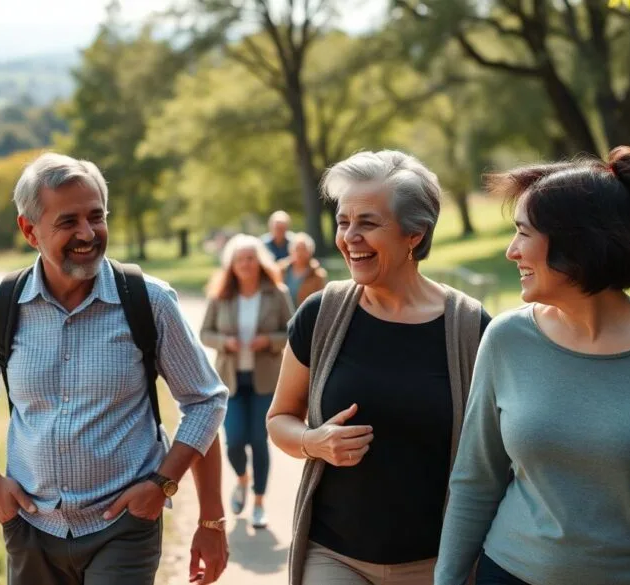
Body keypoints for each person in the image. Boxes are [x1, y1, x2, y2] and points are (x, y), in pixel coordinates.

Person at [435, 147, 630, 585]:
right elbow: (475, 482)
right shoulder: (505, 340)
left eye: (523, 233)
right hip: (512, 573)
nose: (511, 251)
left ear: (576, 242)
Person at [0, 152, 230, 585]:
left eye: (96, 217)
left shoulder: (148, 301)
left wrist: (165, 486)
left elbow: (205, 401)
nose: (87, 233)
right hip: (30, 526)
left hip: (124, 526)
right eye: (68, 222)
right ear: (29, 230)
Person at [265, 150, 492, 585]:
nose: (349, 237)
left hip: (438, 562)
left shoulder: (470, 328)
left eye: (367, 223)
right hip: (334, 556)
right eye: (343, 222)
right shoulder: (321, 315)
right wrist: (314, 442)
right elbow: (279, 419)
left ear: (414, 234)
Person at [200, 234, 294, 530]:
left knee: (259, 440)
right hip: (231, 381)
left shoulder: (276, 293)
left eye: (251, 258)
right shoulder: (221, 295)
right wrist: (224, 342)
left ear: (259, 261)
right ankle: (242, 479)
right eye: (240, 259)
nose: (246, 264)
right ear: (232, 264)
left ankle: (259, 503)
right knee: (234, 441)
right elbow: (204, 334)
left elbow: (292, 333)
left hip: (265, 380)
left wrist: (268, 340)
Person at [278, 232, 328, 308]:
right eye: (297, 249)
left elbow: (322, 300)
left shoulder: (318, 275)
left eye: (303, 249)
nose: (300, 253)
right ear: (291, 250)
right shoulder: (281, 269)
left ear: (310, 251)